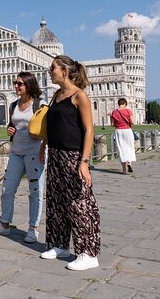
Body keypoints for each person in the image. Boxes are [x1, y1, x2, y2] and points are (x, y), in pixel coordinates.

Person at [40, 55, 100, 271]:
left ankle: (88, 252)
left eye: (53, 67)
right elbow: (50, 125)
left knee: (80, 203)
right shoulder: (57, 95)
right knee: (56, 202)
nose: (50, 71)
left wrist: (84, 161)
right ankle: (59, 244)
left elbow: (89, 129)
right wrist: (43, 147)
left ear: (64, 71)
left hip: (73, 155)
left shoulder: (79, 96)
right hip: (55, 153)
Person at [0, 71, 46, 243]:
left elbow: (47, 129)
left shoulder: (40, 105)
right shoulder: (13, 105)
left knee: (35, 191)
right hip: (16, 152)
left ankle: (33, 228)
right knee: (7, 189)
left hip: (34, 153)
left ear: (29, 85)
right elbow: (13, 125)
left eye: (20, 84)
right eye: (15, 83)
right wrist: (10, 129)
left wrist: (42, 146)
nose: (16, 86)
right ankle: (4, 224)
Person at [110, 98, 136, 174]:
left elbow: (112, 124)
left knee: (121, 149)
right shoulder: (128, 111)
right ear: (125, 104)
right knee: (130, 147)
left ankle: (124, 170)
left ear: (119, 104)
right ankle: (129, 163)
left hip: (118, 131)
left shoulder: (114, 112)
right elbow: (133, 122)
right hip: (127, 130)